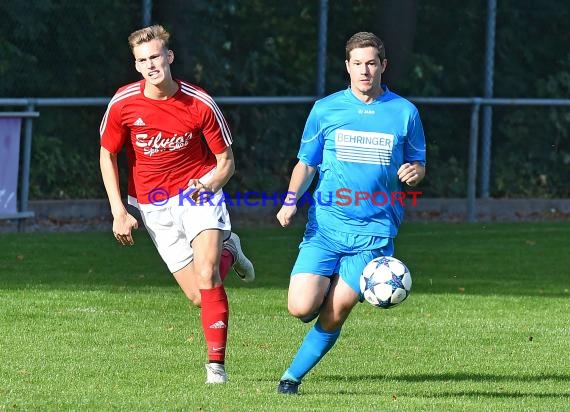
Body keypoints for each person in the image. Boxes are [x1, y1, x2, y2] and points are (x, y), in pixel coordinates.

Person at [99, 24, 255, 384]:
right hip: (152, 204)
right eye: (142, 60)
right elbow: (107, 154)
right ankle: (231, 249)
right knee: (200, 296)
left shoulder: (199, 103)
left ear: (169, 57)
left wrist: (210, 183)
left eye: (156, 56)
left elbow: (226, 162)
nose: (151, 64)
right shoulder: (123, 103)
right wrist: (118, 211)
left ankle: (216, 368)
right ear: (136, 66)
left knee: (207, 274)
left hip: (197, 192)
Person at [275, 31, 426, 394]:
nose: (364, 70)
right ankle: (330, 281)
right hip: (325, 227)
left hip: (373, 234)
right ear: (347, 66)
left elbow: (418, 164)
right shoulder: (325, 109)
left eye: (371, 63)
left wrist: (414, 173)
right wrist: (291, 199)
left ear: (383, 66)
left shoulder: (405, 113)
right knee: (300, 307)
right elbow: (306, 163)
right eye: (357, 64)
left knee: (336, 310)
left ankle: (290, 379)